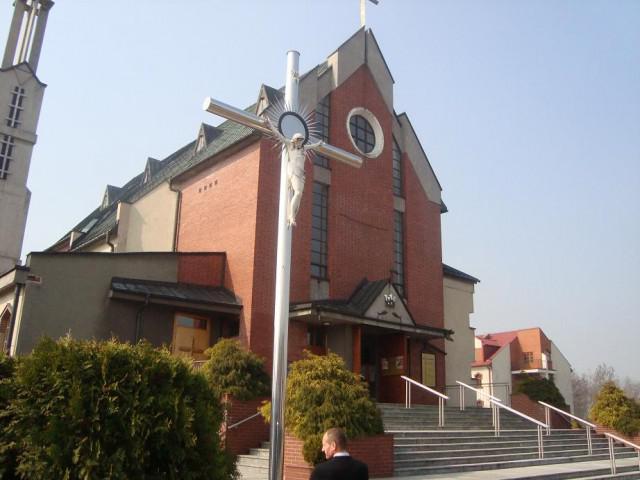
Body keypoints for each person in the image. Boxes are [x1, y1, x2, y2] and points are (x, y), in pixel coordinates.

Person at [264, 117, 320, 226]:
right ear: (295, 140)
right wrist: (270, 125)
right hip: (293, 171)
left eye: (301, 140)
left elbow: (313, 146)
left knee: (299, 195)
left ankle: (292, 215)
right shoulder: (290, 145)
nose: (300, 142)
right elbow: (279, 135)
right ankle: (291, 216)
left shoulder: (303, 148)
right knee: (298, 192)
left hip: (301, 173)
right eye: (299, 140)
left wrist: (318, 144)